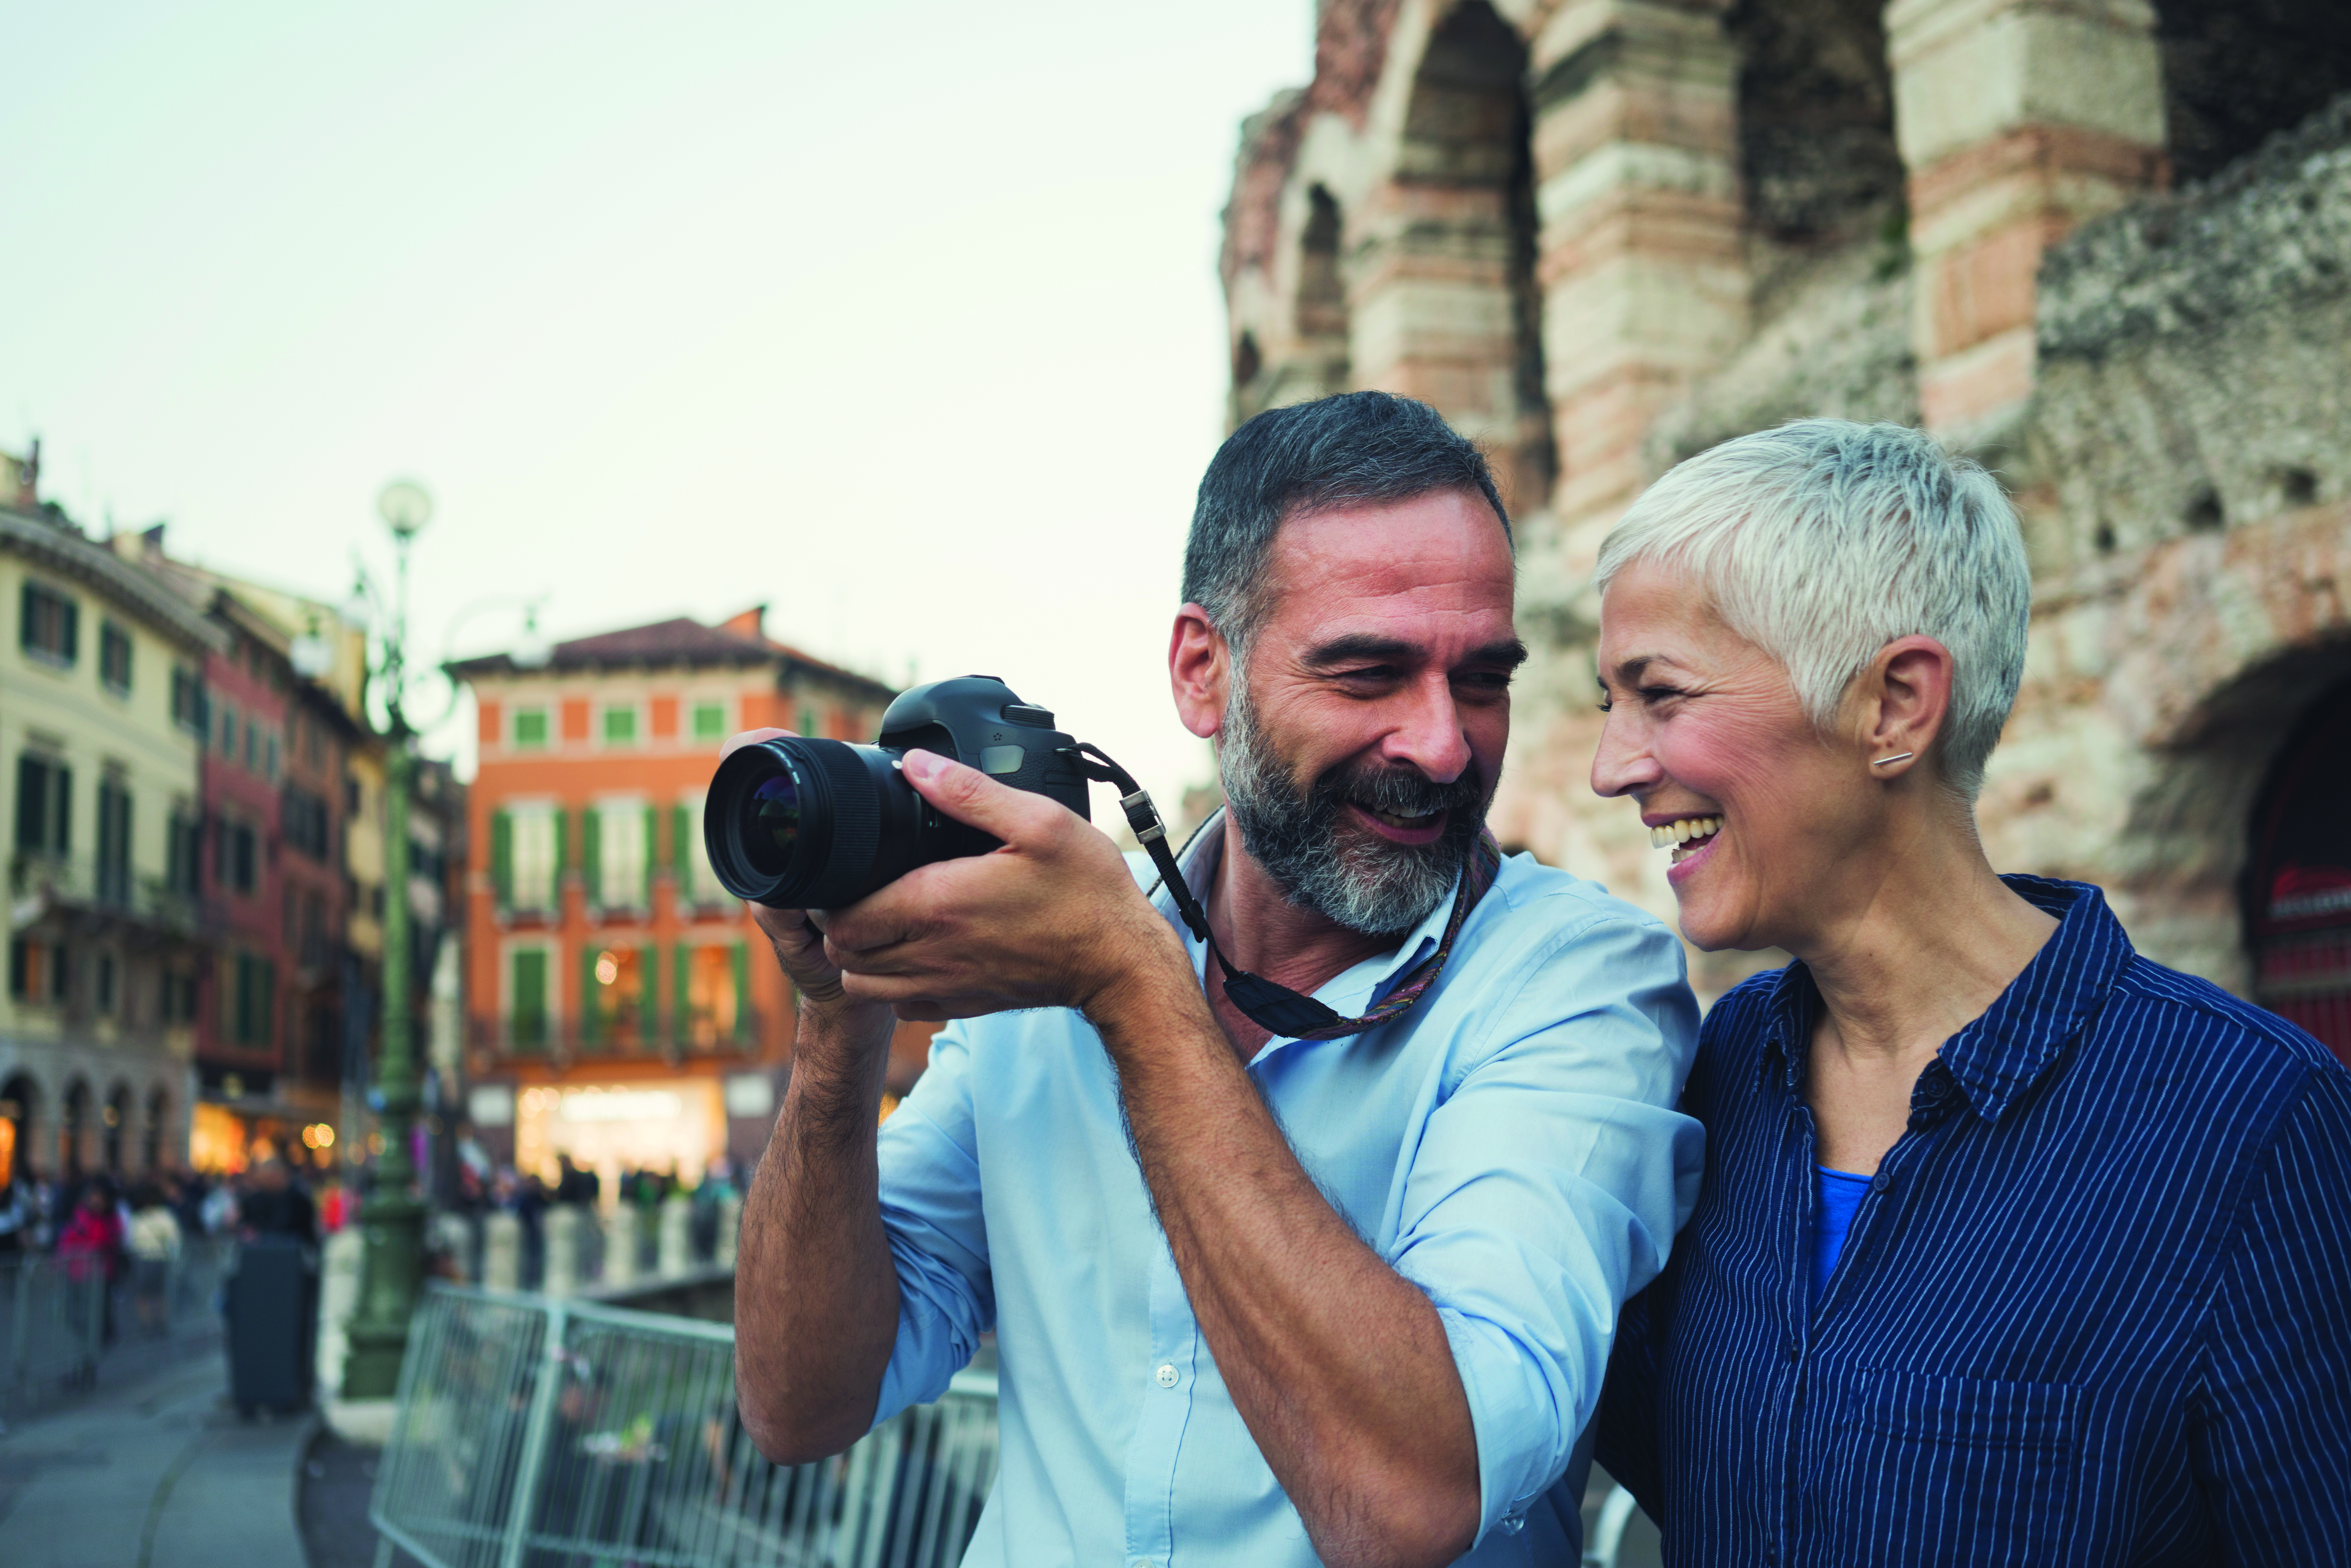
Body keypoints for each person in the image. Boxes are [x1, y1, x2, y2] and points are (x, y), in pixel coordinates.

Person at [732, 391, 1705, 1566]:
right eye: (1366, 674)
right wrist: (839, 1008)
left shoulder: (1575, 983)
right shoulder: (1046, 981)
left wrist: (1131, 988)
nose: (1443, 745)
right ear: (1203, 673)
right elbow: (800, 1401)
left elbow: (1411, 1498)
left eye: (1481, 680)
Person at [1587, 420, 2351, 1564]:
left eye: (1660, 694)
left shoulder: (2247, 1120)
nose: (1611, 765)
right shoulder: (1723, 1067)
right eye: (1609, 702)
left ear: (1895, 704)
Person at [127, 1181, 182, 1337]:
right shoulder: (166, 1216)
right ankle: (160, 1322)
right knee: (160, 1294)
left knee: (143, 1294)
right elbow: (174, 1239)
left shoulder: (138, 1218)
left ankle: (147, 1324)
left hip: (143, 1258)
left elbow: (131, 1240)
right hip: (161, 1258)